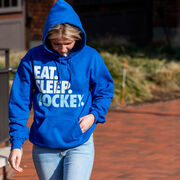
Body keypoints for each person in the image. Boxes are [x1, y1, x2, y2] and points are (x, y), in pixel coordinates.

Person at [8, 0, 114, 179]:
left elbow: (104, 89)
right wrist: (16, 144)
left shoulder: (90, 57)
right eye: (57, 44)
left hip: (79, 142)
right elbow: (20, 101)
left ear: (77, 38)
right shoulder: (33, 59)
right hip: (44, 145)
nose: (63, 50)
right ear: (48, 38)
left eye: (68, 43)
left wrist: (94, 115)